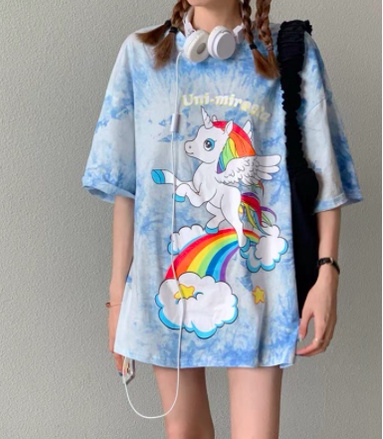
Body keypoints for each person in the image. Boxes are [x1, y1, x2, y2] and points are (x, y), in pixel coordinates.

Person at [81, 0, 364, 437]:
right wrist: (118, 300)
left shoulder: (289, 53)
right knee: (184, 431)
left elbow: (326, 176)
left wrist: (327, 275)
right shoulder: (142, 55)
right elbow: (127, 190)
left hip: (259, 287)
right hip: (166, 286)